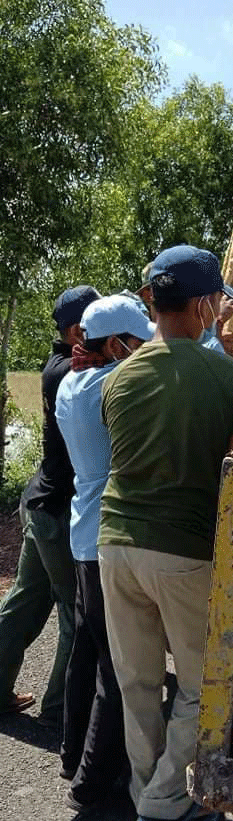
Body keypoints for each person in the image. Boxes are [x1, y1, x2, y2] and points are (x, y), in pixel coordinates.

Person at [98, 244, 233, 821]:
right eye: (215, 300)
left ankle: (147, 788)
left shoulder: (118, 377)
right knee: (199, 683)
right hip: (185, 550)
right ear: (202, 304)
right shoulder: (232, 377)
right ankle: (165, 802)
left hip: (115, 544)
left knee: (136, 679)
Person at [55, 295, 154, 813]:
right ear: (116, 346)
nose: (146, 351)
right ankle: (91, 785)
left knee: (87, 650)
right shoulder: (114, 383)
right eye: (139, 343)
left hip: (82, 535)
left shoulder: (72, 383)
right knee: (118, 667)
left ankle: (72, 754)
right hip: (105, 537)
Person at [0, 285, 100, 725]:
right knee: (75, 611)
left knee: (25, 602)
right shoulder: (68, 372)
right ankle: (60, 709)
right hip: (57, 512)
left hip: (41, 503)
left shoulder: (58, 365)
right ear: (78, 330)